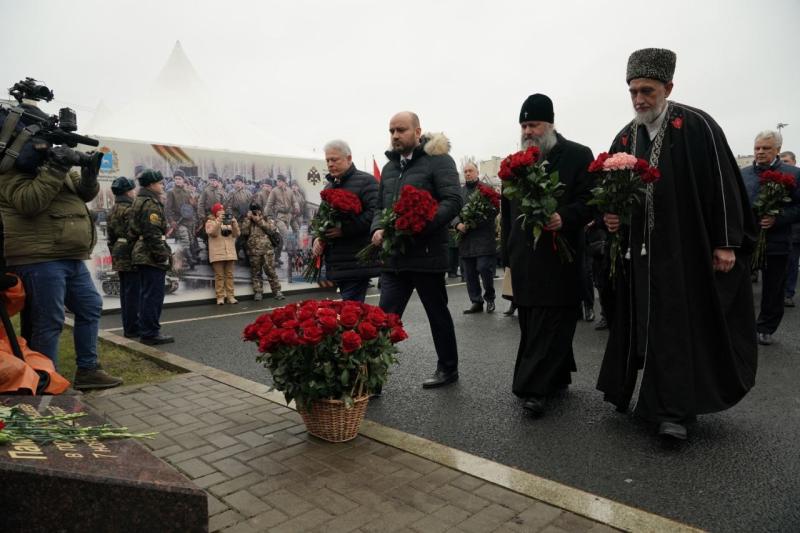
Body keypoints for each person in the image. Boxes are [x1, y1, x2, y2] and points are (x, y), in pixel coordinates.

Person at [597, 48, 758, 440]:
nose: (639, 99)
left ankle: (674, 412)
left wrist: (725, 243)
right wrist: (612, 217)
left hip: (684, 251)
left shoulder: (697, 126)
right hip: (639, 256)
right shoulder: (625, 135)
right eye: (633, 90)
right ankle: (638, 396)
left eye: (647, 91)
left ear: (668, 87)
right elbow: (611, 193)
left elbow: (723, 187)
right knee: (643, 324)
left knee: (676, 326)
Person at [0, 116, 123, 389]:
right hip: (39, 256)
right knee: (49, 320)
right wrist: (56, 166)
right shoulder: (9, 169)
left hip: (68, 254)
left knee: (90, 306)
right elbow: (29, 202)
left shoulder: (51, 165)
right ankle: (46, 380)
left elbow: (85, 193)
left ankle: (88, 370)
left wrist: (90, 171)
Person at [501, 94, 594, 416]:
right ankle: (556, 376)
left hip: (559, 256)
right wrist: (507, 253)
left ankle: (533, 389)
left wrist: (564, 217)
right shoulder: (515, 163)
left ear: (550, 124)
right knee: (531, 322)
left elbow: (591, 200)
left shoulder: (577, 155)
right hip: (525, 256)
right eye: (524, 125)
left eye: (534, 124)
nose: (528, 131)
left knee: (550, 320)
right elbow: (507, 211)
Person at [371, 111, 463, 388]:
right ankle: (371, 376)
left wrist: (419, 224)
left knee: (437, 314)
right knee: (385, 317)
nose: (395, 135)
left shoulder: (439, 161)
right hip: (394, 258)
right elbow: (379, 207)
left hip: (426, 256)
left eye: (401, 130)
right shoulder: (389, 168)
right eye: (392, 131)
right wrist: (377, 228)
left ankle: (448, 369)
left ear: (418, 131)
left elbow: (453, 199)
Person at [740, 132, 800, 345]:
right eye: (757, 148)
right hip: (747, 240)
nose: (760, 152)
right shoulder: (743, 174)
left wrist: (779, 218)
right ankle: (739, 325)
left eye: (766, 148)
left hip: (777, 241)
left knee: (773, 288)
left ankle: (765, 327)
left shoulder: (793, 174)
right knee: (739, 285)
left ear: (777, 149)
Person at [312, 140, 380, 302]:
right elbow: (320, 218)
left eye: (334, 160)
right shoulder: (329, 187)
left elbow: (375, 214)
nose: (330, 164)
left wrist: (344, 230)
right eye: (328, 160)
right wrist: (318, 237)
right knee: (351, 310)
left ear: (349, 158)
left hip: (356, 260)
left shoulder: (367, 182)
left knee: (350, 309)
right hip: (337, 262)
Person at [129, 169, 175, 345]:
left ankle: (147, 329)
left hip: (142, 252)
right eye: (159, 183)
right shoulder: (150, 204)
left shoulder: (139, 200)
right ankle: (150, 332)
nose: (162, 185)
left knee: (146, 294)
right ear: (151, 185)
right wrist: (162, 255)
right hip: (150, 254)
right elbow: (152, 232)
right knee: (153, 295)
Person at [455, 162, 498, 313]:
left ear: (477, 172)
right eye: (465, 171)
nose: (467, 173)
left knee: (484, 268)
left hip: (483, 237)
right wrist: (457, 224)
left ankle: (490, 298)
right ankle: (476, 301)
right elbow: (453, 211)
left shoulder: (487, 189)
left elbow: (495, 209)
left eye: (470, 171)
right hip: (466, 239)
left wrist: (476, 220)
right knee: (470, 273)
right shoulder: (459, 192)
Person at [107, 176, 140, 339]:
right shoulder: (131, 210)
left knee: (126, 292)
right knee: (134, 292)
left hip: (119, 252)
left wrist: (114, 251)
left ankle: (129, 326)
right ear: (127, 192)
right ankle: (133, 328)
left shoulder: (113, 209)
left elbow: (110, 237)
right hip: (131, 252)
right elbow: (135, 232)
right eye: (132, 190)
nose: (134, 192)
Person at [241, 203, 285, 301]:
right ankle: (258, 292)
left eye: (257, 209)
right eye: (253, 210)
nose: (255, 211)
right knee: (256, 273)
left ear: (261, 210)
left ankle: (277, 291)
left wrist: (259, 220)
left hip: (267, 251)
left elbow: (271, 230)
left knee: (271, 271)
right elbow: (244, 232)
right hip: (254, 251)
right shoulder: (248, 220)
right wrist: (248, 219)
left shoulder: (266, 219)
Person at [206, 202, 240, 304]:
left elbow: (236, 234)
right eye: (219, 210)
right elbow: (213, 233)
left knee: (229, 275)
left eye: (223, 210)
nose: (222, 212)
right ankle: (220, 297)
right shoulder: (210, 222)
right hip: (217, 254)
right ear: (215, 213)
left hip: (230, 253)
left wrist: (234, 223)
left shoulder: (228, 222)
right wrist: (219, 221)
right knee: (219, 276)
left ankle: (230, 296)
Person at [165, 170, 199, 270]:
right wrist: (171, 221)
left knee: (191, 239)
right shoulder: (171, 192)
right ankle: (190, 260)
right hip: (178, 221)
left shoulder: (188, 192)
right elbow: (167, 209)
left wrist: (194, 204)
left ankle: (184, 259)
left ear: (183, 180)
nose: (177, 181)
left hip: (189, 221)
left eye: (179, 179)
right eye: (176, 179)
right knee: (185, 239)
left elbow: (192, 208)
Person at [780, 150, 799, 307]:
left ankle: (788, 293)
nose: (784, 164)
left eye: (786, 161)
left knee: (792, 262)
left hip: (795, 229)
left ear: (794, 161)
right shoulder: (777, 179)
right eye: (782, 161)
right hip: (779, 228)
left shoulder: (797, 177)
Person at [266, 175, 298, 266]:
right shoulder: (274, 191)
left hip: (288, 217)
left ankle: (276, 258)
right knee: (286, 234)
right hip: (278, 217)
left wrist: (296, 207)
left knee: (280, 240)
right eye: (277, 181)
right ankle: (293, 255)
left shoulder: (290, 191)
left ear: (284, 182)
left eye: (280, 181)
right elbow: (269, 204)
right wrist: (267, 216)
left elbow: (294, 201)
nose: (278, 183)